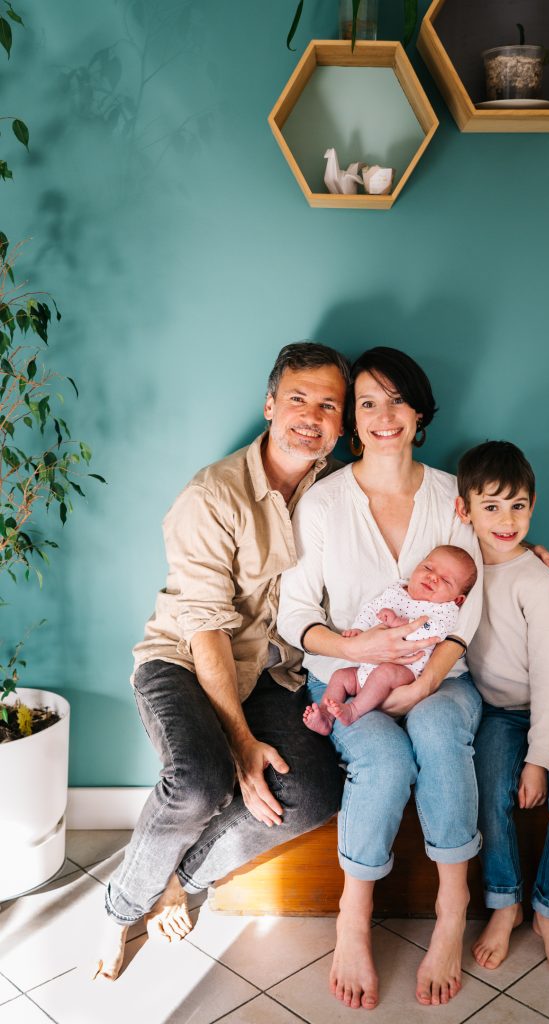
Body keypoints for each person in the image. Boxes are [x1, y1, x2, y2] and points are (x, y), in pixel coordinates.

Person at [278, 347, 549, 1010]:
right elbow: (294, 613)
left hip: (444, 674)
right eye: (368, 403)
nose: (385, 416)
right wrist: (356, 642)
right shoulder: (323, 503)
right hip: (349, 673)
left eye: (398, 401)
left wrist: (429, 676)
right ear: (352, 417)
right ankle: (353, 917)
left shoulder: (450, 498)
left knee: (438, 731)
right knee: (379, 758)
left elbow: (476, 588)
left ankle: (450, 904)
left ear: (419, 413)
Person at [92, 342, 349, 981]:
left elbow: (426, 508)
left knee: (315, 790)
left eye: (329, 405)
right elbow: (204, 629)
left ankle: (183, 877)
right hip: (181, 661)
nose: (311, 416)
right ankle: (121, 908)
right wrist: (241, 742)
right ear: (269, 405)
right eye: (298, 399)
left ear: (342, 423)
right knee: (202, 779)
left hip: (273, 674)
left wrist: (521, 555)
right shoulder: (213, 495)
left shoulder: (341, 489)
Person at [455, 440, 549, 980]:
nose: (506, 519)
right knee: (488, 796)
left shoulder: (535, 578)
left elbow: (546, 675)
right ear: (464, 509)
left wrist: (539, 758)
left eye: (518, 505)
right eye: (490, 506)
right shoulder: (458, 569)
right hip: (498, 712)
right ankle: (504, 901)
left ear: (533, 506)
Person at [303, 545, 477, 734]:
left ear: (458, 599)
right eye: (428, 568)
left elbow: (433, 632)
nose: (432, 577)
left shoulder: (445, 610)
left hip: (405, 671)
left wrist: (400, 622)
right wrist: (359, 629)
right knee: (340, 676)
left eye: (445, 580)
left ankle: (353, 710)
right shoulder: (397, 591)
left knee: (384, 673)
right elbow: (371, 609)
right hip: (367, 668)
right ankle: (326, 715)